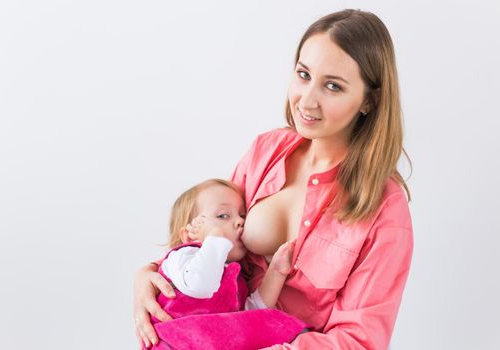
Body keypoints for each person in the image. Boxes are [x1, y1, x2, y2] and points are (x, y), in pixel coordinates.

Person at [134, 9, 413, 349]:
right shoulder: (265, 151)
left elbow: (360, 339)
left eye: (332, 86)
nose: (307, 100)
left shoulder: (385, 207)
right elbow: (208, 233)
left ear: (369, 100)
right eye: (303, 74)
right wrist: (148, 276)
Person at [144, 178, 306, 349]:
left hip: (214, 342)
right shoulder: (181, 257)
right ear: (189, 235)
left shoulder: (233, 276)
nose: (240, 221)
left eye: (242, 215)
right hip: (177, 341)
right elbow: (200, 286)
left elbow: (250, 313)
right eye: (222, 216)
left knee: (280, 326)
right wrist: (214, 238)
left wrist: (276, 272)